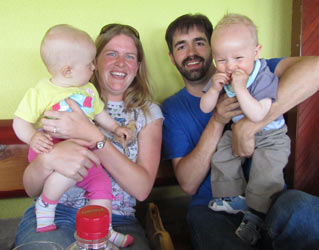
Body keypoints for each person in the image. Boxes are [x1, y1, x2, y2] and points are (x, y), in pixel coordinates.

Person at [162, 13, 319, 250]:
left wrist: (248, 127)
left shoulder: (255, 68)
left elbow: (316, 68)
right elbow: (188, 184)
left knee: (305, 210)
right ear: (172, 58)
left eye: (200, 42)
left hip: (275, 201)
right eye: (181, 46)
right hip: (212, 208)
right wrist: (217, 120)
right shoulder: (173, 108)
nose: (192, 52)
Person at [14, 23, 163, 250]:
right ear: (95, 60)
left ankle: (106, 230)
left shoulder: (148, 113)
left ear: (138, 66)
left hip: (117, 219)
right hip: (59, 215)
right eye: (111, 54)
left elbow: (142, 190)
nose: (121, 63)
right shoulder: (57, 96)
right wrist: (49, 158)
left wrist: (94, 136)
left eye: (130, 56)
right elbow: (30, 189)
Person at [199, 14, 291, 245]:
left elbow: (259, 114)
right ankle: (231, 197)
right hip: (237, 128)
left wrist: (240, 88)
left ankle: (257, 215)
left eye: (238, 58)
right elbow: (205, 108)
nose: (230, 66)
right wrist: (213, 91)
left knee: (265, 174)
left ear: (256, 52)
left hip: (271, 135)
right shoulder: (221, 77)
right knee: (221, 153)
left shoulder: (262, 75)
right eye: (221, 60)